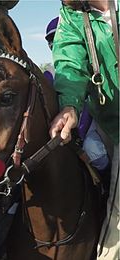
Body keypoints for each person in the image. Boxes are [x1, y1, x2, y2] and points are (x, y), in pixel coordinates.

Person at [49, 1, 119, 259]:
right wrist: (69, 106)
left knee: (117, 219)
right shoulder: (72, 16)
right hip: (109, 122)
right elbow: (70, 65)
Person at [45, 16, 109, 172]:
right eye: (51, 40)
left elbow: (88, 103)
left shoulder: (88, 69)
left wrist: (79, 134)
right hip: (60, 126)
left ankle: (107, 186)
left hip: (87, 123)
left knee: (95, 152)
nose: (54, 43)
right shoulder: (48, 73)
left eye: (57, 38)